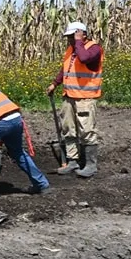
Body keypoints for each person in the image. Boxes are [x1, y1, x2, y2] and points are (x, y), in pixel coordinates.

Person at [46, 20, 104, 178]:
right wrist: (55, 83)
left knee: (87, 130)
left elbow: (85, 59)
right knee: (68, 129)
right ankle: (72, 161)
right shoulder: (72, 49)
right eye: (69, 37)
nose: (70, 39)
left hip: (85, 97)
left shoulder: (93, 48)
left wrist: (78, 42)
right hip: (69, 96)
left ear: (82, 34)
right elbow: (66, 69)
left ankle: (91, 165)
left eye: (73, 36)